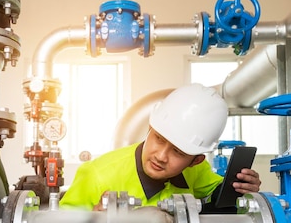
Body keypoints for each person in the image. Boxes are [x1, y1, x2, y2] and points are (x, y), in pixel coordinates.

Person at [59, 83, 261, 211]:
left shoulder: (197, 172)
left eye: (178, 152)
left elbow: (217, 191)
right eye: (159, 139)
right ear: (150, 127)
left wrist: (240, 188)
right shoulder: (97, 174)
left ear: (195, 161)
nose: (161, 156)